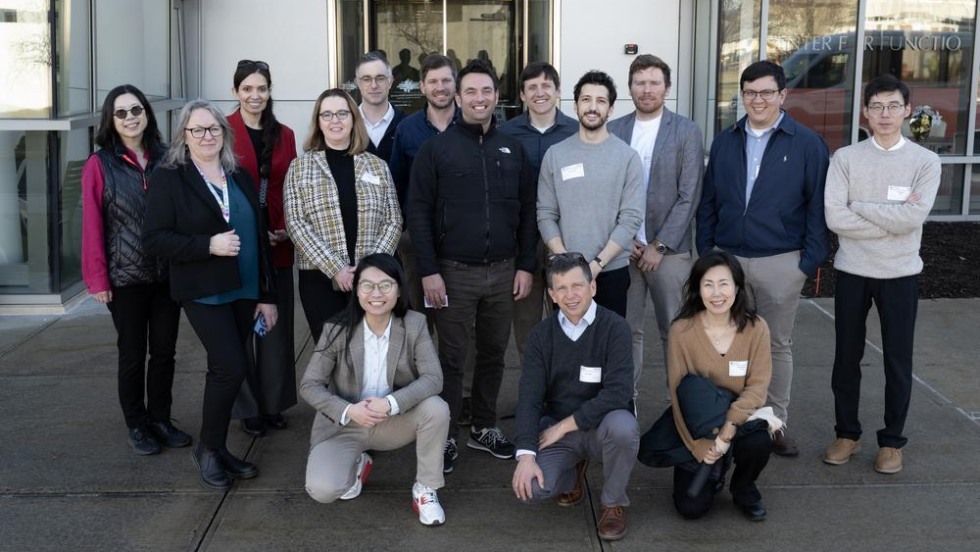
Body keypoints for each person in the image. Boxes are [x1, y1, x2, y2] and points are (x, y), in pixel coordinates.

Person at [407, 59, 536, 473]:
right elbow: (419, 213)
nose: (479, 99)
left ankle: (484, 426)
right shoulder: (436, 150)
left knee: (494, 353)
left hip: (503, 271)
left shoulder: (512, 148)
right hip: (452, 273)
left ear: (497, 97)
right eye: (471, 92)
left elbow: (529, 213)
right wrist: (429, 270)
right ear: (458, 97)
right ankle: (443, 435)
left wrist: (526, 266)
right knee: (451, 357)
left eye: (487, 92)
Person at [143, 99, 278, 490]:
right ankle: (208, 449)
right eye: (197, 129)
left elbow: (260, 239)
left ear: (225, 133)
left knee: (230, 370)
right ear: (184, 136)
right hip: (204, 291)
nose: (207, 136)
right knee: (230, 367)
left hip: (246, 287)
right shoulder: (171, 177)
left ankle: (217, 448)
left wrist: (267, 296)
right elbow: (154, 239)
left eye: (214, 129)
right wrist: (207, 245)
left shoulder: (239, 175)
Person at [697, 60, 829, 456]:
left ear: (782, 95)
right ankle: (729, 419)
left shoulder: (806, 143)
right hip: (728, 261)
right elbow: (709, 202)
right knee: (726, 343)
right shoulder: (726, 140)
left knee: (775, 345)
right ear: (742, 97)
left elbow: (817, 209)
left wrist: (805, 264)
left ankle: (774, 424)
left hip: (781, 262)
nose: (758, 100)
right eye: (751, 93)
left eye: (767, 92)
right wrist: (708, 252)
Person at [822, 75, 940, 474]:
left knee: (897, 361)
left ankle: (892, 442)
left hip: (900, 274)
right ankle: (846, 434)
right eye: (877, 106)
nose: (884, 114)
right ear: (865, 112)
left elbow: (912, 219)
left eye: (893, 106)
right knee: (846, 358)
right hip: (853, 271)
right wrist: (890, 219)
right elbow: (835, 216)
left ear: (907, 110)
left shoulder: (925, 162)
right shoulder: (845, 159)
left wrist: (862, 205)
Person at [301, 253, 449, 526]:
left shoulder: (414, 324)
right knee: (323, 490)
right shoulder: (336, 329)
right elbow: (309, 385)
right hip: (344, 424)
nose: (376, 293)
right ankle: (357, 465)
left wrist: (391, 403)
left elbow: (433, 378)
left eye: (386, 285)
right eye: (367, 285)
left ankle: (426, 489)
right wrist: (348, 410)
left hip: (393, 420)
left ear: (399, 290)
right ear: (356, 290)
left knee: (437, 409)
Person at [81, 84, 188, 456]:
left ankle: (161, 418)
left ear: (147, 113)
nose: (130, 117)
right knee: (132, 354)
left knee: (164, 352)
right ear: (111, 119)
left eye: (136, 109)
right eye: (121, 112)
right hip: (124, 278)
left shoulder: (167, 158)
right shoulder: (100, 164)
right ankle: (137, 424)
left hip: (165, 276)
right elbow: (92, 224)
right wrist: (97, 279)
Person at [511, 252, 638, 542]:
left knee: (624, 428)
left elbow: (619, 392)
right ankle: (572, 471)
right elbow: (529, 396)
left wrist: (566, 425)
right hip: (560, 433)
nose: (571, 295)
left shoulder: (615, 328)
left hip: (601, 427)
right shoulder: (542, 336)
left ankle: (612, 502)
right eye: (562, 288)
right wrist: (526, 455)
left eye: (577, 286)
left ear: (592, 287)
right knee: (532, 488)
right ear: (551, 295)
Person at [608, 55, 704, 394]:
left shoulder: (686, 131)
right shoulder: (615, 129)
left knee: (675, 331)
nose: (646, 90)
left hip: (670, 253)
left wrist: (658, 245)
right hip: (624, 250)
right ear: (630, 88)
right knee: (626, 330)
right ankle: (626, 402)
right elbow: (609, 191)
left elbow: (689, 194)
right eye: (640, 83)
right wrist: (627, 239)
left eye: (654, 83)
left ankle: (679, 406)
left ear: (667, 88)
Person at [284, 88, 402, 343]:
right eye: (326, 114)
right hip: (320, 279)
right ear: (318, 122)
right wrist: (337, 269)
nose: (335, 120)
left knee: (372, 355)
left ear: (353, 118)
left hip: (372, 280)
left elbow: (393, 221)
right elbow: (296, 224)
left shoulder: (377, 166)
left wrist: (369, 268)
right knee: (333, 356)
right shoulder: (300, 167)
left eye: (341, 113)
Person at [667, 251, 774, 521]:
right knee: (691, 508)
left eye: (724, 284)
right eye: (708, 284)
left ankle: (743, 487)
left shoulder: (756, 328)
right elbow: (677, 395)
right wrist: (696, 446)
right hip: (700, 423)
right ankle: (715, 471)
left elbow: (758, 386)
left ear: (737, 287)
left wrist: (728, 429)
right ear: (697, 289)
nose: (717, 293)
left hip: (739, 418)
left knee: (760, 440)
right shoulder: (681, 331)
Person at [228, 59, 298, 438]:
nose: (255, 96)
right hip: (236, 245)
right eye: (247, 89)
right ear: (235, 91)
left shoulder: (284, 134)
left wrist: (287, 229)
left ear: (270, 91)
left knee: (274, 329)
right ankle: (247, 407)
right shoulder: (221, 130)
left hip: (276, 243)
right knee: (240, 329)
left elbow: (295, 188)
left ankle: (272, 403)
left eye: (262, 88)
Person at [537, 70, 644, 318]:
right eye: (586, 100)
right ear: (575, 106)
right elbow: (545, 214)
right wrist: (566, 262)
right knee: (567, 347)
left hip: (610, 271)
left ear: (611, 109)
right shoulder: (556, 154)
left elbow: (630, 218)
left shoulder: (627, 157)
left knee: (607, 348)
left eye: (600, 101)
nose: (592, 107)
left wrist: (595, 266)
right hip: (565, 275)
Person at [499, 61, 578, 360]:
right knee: (527, 322)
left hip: (567, 235)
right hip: (523, 239)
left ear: (558, 91)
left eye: (546, 86)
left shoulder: (576, 131)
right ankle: (531, 395)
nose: (539, 92)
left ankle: (566, 393)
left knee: (570, 315)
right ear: (521, 94)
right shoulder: (506, 134)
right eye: (532, 87)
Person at [389, 54, 459, 315]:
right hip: (417, 240)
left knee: (458, 323)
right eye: (433, 81)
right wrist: (403, 233)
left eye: (446, 80)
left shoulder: (471, 126)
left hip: (463, 243)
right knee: (418, 318)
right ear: (422, 86)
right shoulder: (407, 129)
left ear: (455, 83)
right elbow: (396, 183)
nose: (440, 87)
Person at [355, 51, 406, 163]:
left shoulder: (407, 126)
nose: (374, 85)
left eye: (380, 78)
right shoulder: (345, 125)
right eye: (367, 79)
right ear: (358, 83)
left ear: (390, 82)